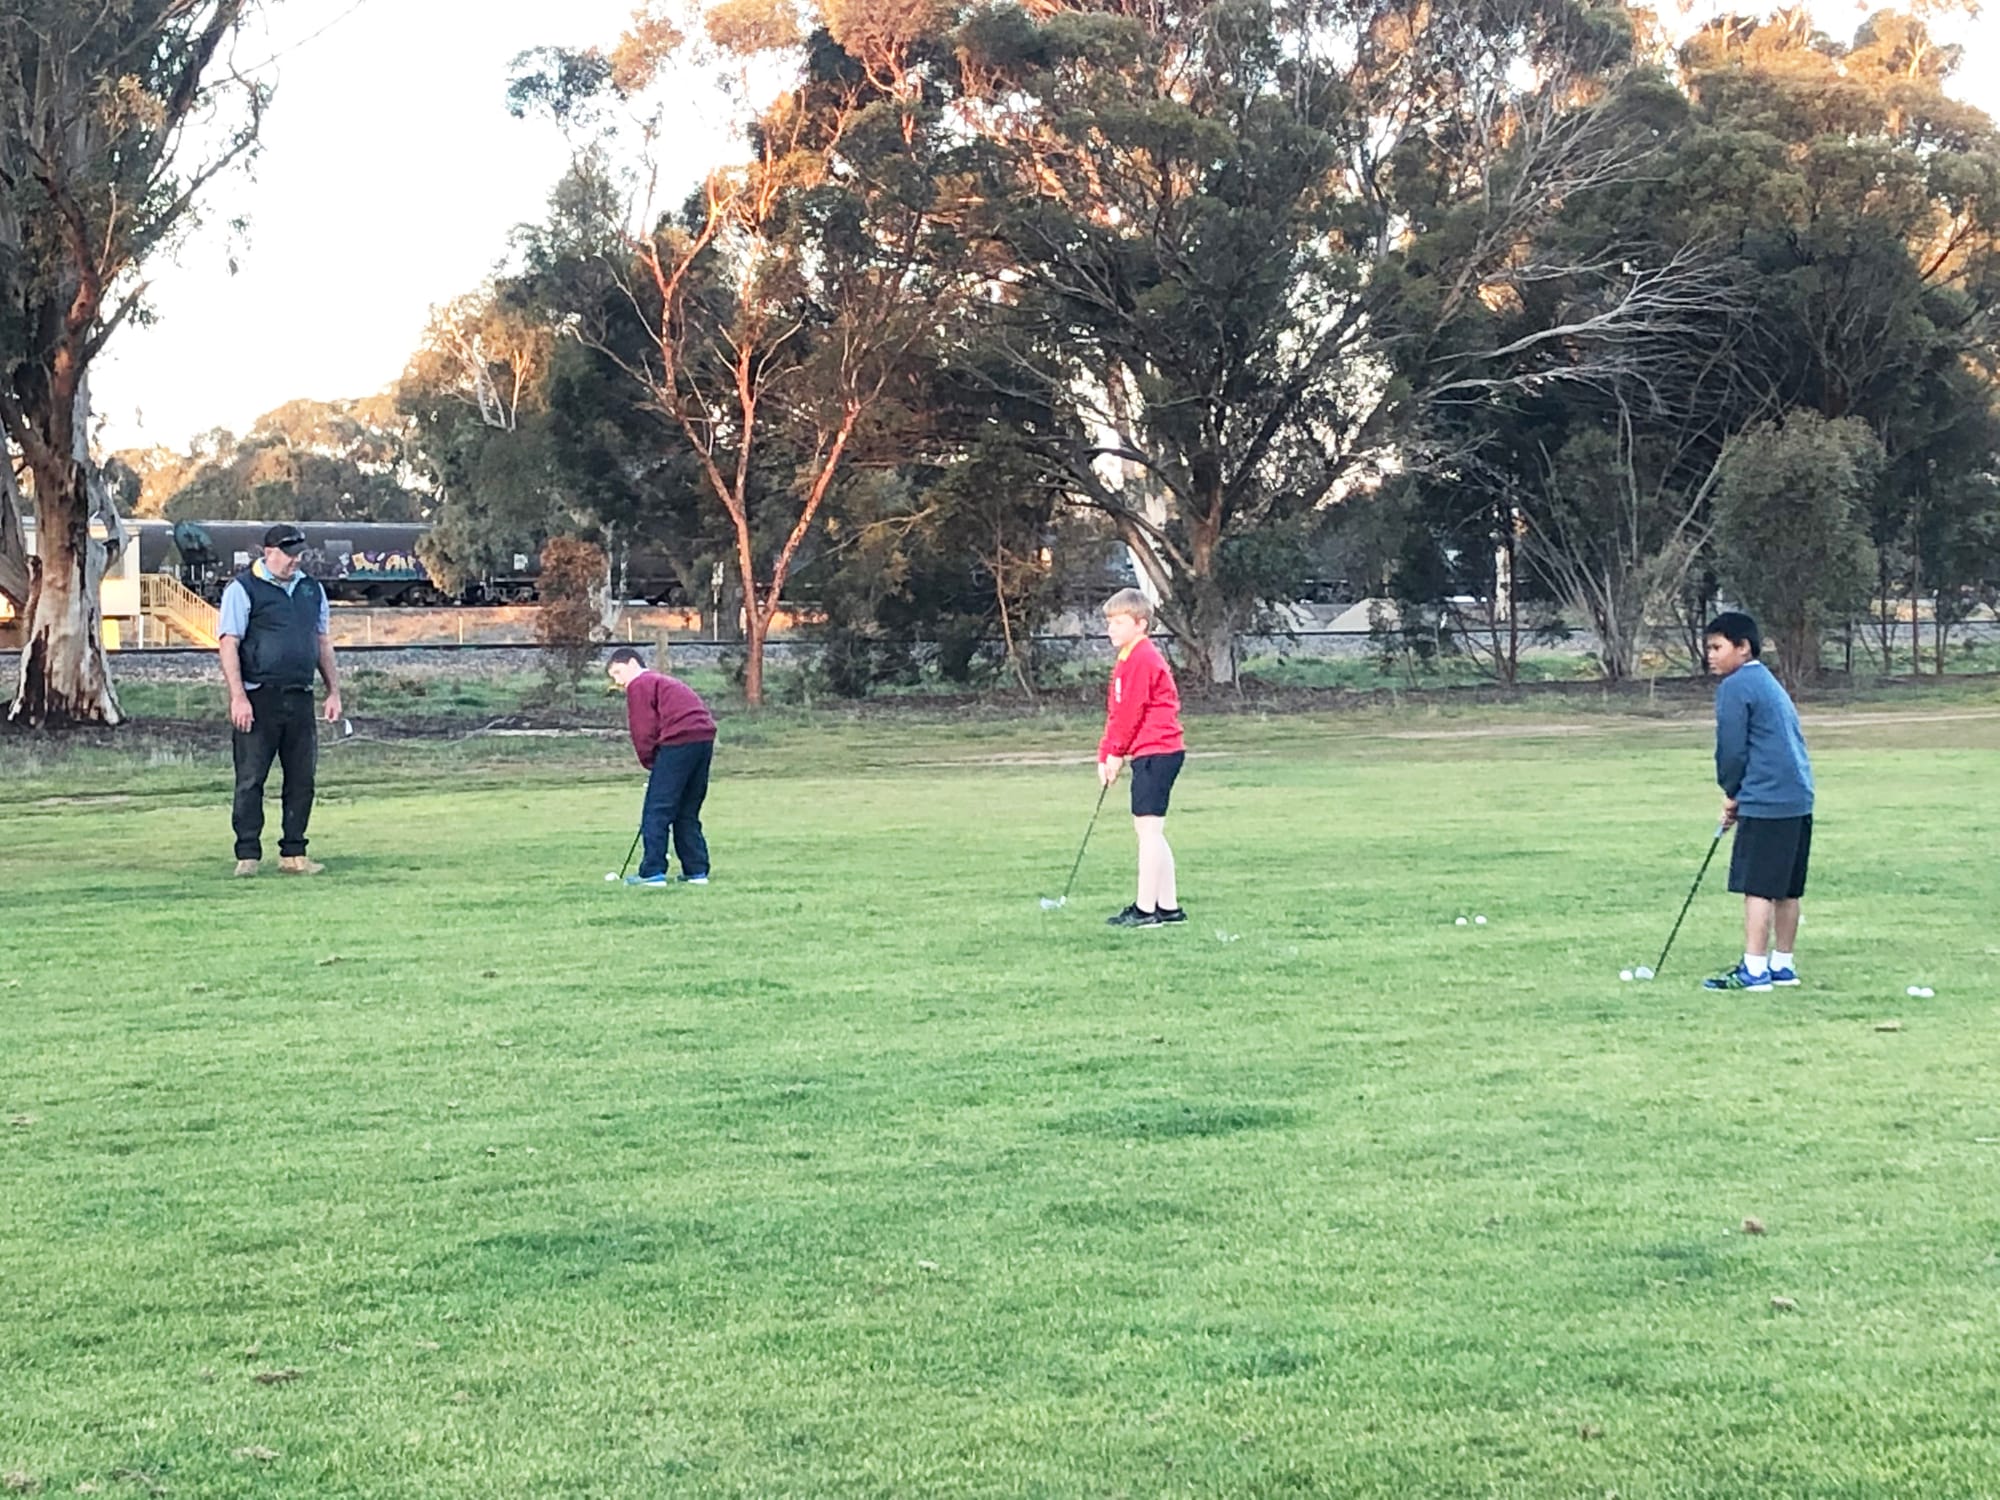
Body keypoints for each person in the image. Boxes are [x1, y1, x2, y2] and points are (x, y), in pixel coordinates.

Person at [218, 524, 343, 877]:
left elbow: (322, 642)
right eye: (289, 554)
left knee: (302, 778)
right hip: (258, 698)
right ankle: (247, 854)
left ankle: (294, 853)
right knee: (251, 778)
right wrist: (238, 697)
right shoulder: (242, 589)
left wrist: (333, 691)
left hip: (300, 697)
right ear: (268, 552)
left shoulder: (311, 589)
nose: (295, 561)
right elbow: (229, 643)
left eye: (299, 554)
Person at [1701, 611, 1815, 992]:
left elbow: (1731, 750)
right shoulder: (1767, 681)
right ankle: (1783, 965)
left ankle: (1754, 970)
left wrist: (1732, 792)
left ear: (1743, 647)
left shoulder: (1735, 687)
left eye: (1718, 647)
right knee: (1786, 887)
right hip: (1797, 796)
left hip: (1766, 798)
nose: (1711, 656)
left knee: (1759, 886)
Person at [1096, 588, 1187, 928]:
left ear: (1141, 624)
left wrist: (1115, 753)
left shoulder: (1141, 659)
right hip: (1152, 750)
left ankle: (1146, 910)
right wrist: (1107, 752)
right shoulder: (1127, 658)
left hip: (1158, 751)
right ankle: (1168, 906)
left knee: (1148, 831)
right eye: (1110, 622)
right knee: (1151, 832)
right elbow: (1116, 713)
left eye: (1120, 622)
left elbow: (1130, 713)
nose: (1112, 629)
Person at [606, 647, 717, 888]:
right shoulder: (663, 681)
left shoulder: (640, 684)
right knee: (686, 809)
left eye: (617, 671)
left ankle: (652, 872)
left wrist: (651, 761)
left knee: (657, 809)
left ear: (633, 664)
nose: (617, 680)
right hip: (703, 740)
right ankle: (696, 871)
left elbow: (643, 728)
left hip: (678, 741)